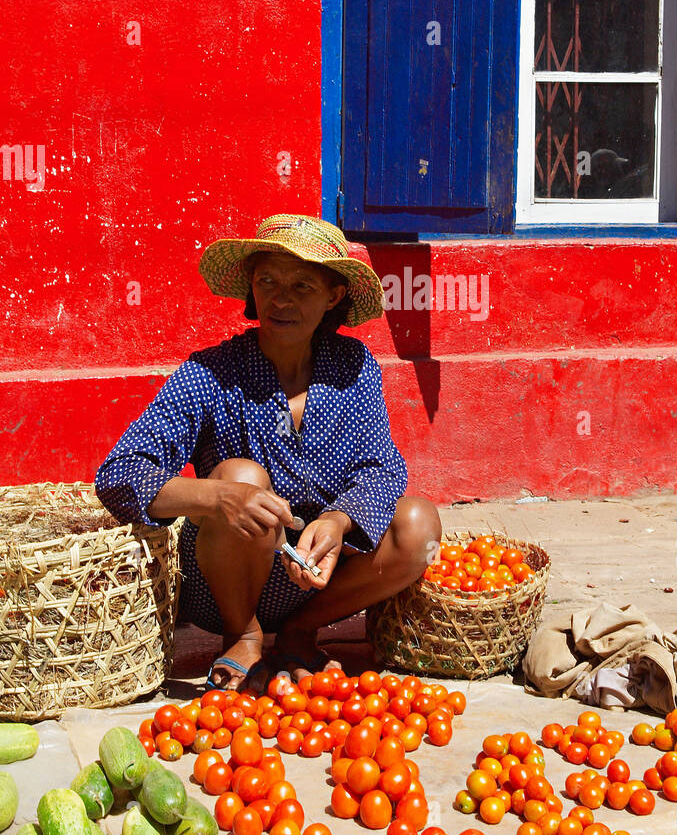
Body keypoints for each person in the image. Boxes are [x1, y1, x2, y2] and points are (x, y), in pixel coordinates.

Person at [95, 213, 441, 692]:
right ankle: (245, 635)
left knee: (419, 524)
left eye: (303, 285)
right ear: (251, 290)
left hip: (319, 576)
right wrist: (217, 499)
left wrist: (339, 522)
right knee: (242, 477)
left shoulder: (354, 368)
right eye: (268, 281)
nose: (281, 299)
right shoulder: (211, 373)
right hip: (224, 582)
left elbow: (381, 469)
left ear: (333, 297)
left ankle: (300, 632)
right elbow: (120, 474)